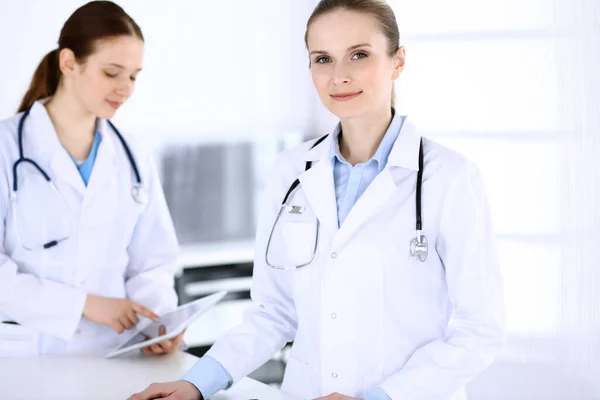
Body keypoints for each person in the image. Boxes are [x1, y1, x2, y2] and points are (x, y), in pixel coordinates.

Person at [129, 0, 506, 399]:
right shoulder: (291, 172)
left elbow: (479, 330)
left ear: (398, 62)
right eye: (323, 58)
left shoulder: (449, 177)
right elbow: (273, 312)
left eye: (359, 55)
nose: (339, 76)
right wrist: (197, 383)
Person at [0, 1, 184, 356]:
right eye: (112, 73)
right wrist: (83, 304)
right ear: (69, 63)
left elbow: (153, 260)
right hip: (23, 359)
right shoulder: (7, 148)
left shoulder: (132, 153)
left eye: (133, 76)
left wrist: (156, 321)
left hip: (111, 355)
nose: (126, 89)